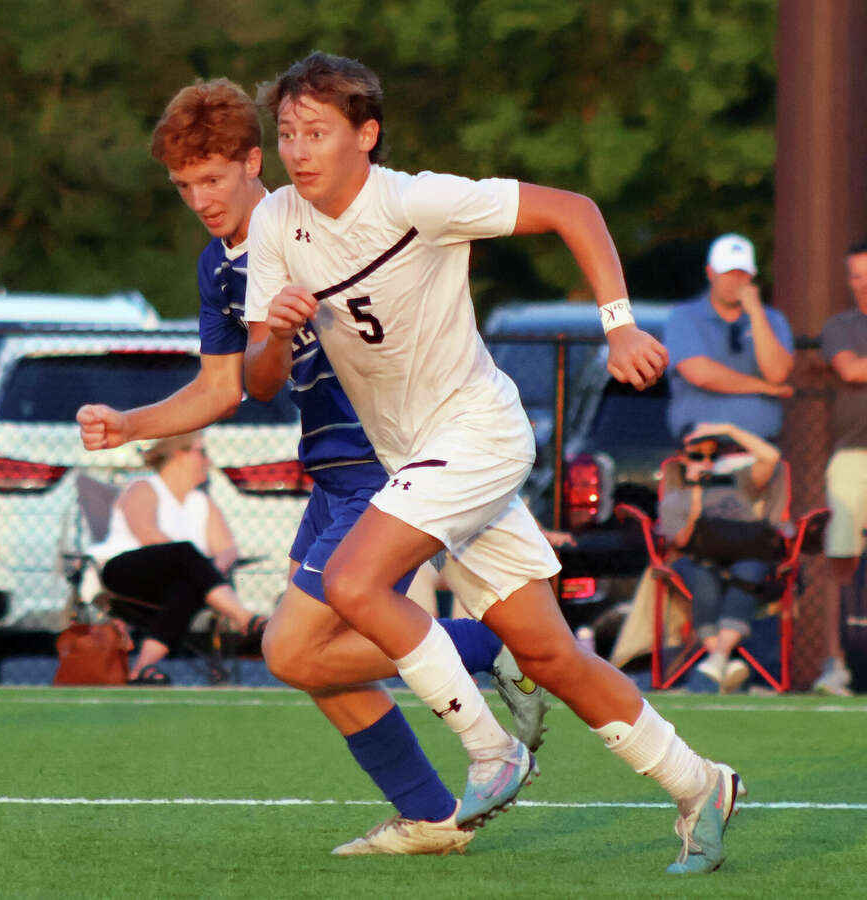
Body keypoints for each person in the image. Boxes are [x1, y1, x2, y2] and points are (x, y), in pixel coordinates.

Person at [243, 51, 742, 875]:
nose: (297, 149)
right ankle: (702, 786)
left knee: (354, 583)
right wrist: (273, 333)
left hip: (476, 432)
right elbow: (262, 383)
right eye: (288, 132)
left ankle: (490, 752)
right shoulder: (275, 223)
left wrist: (618, 325)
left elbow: (575, 209)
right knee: (549, 656)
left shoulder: (418, 198)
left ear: (366, 135)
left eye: (318, 132)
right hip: (424, 458)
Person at [78, 78, 545, 855]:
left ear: (254, 161)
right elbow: (226, 387)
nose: (201, 198)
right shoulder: (217, 268)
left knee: (291, 650)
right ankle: (432, 814)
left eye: (215, 179)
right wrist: (131, 424)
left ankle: (493, 649)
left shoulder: (306, 220)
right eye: (185, 185)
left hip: (385, 461)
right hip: (329, 472)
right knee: (313, 666)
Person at [88, 432, 266, 684]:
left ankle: (143, 668)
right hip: (124, 572)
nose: (207, 461)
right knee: (185, 553)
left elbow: (227, 550)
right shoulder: (145, 488)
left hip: (169, 585)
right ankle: (244, 618)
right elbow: (148, 534)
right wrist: (200, 567)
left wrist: (206, 570)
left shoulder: (201, 503)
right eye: (201, 452)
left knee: (187, 588)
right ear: (178, 455)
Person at [657, 423, 786, 693]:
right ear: (682, 459)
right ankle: (726, 661)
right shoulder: (675, 498)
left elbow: (770, 457)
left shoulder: (737, 482)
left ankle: (718, 660)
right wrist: (694, 492)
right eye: (697, 456)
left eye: (712, 456)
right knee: (704, 577)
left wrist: (727, 428)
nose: (705, 462)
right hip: (698, 559)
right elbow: (680, 541)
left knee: (749, 571)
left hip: (743, 555)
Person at [663, 234, 795, 441]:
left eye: (741, 274)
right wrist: (764, 388)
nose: (735, 281)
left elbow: (777, 373)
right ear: (710, 273)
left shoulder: (772, 319)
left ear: (752, 276)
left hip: (760, 448)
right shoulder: (684, 316)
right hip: (702, 451)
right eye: (727, 273)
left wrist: (757, 315)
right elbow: (701, 374)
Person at [813, 238, 867, 696]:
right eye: (855, 276)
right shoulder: (841, 325)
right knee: (841, 561)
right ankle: (837, 664)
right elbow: (850, 370)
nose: (862, 285)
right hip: (853, 457)